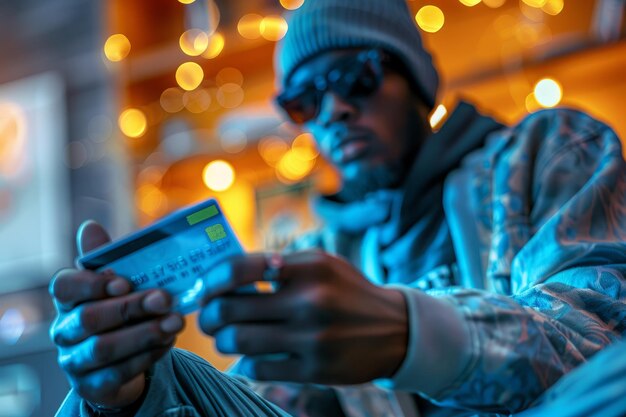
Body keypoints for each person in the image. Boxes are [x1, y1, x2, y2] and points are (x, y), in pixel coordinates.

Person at [51, 0, 626, 416]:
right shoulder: (312, 258)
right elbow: (260, 406)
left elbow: (598, 335)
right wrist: (134, 391)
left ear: (416, 79)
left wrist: (408, 334)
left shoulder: (547, 152)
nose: (334, 109)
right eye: (303, 100)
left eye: (355, 77)